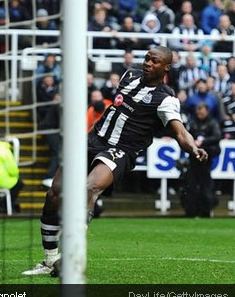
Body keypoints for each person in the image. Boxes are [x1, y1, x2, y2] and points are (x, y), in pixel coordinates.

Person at [23, 47, 208, 276]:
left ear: (166, 67)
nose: (148, 63)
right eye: (147, 58)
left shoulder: (167, 98)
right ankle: (50, 260)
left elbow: (180, 132)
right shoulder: (129, 75)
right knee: (54, 194)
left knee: (89, 188)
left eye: (155, 61)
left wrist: (193, 147)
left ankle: (71, 253)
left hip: (121, 150)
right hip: (93, 140)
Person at [181, 102, 221, 218]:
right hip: (193, 160)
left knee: (206, 187)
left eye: (201, 110)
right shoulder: (193, 123)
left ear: (206, 111)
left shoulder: (212, 123)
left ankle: (206, 212)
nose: (199, 113)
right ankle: (191, 212)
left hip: (206, 160)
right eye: (198, 111)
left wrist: (202, 142)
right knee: (191, 186)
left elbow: (217, 136)